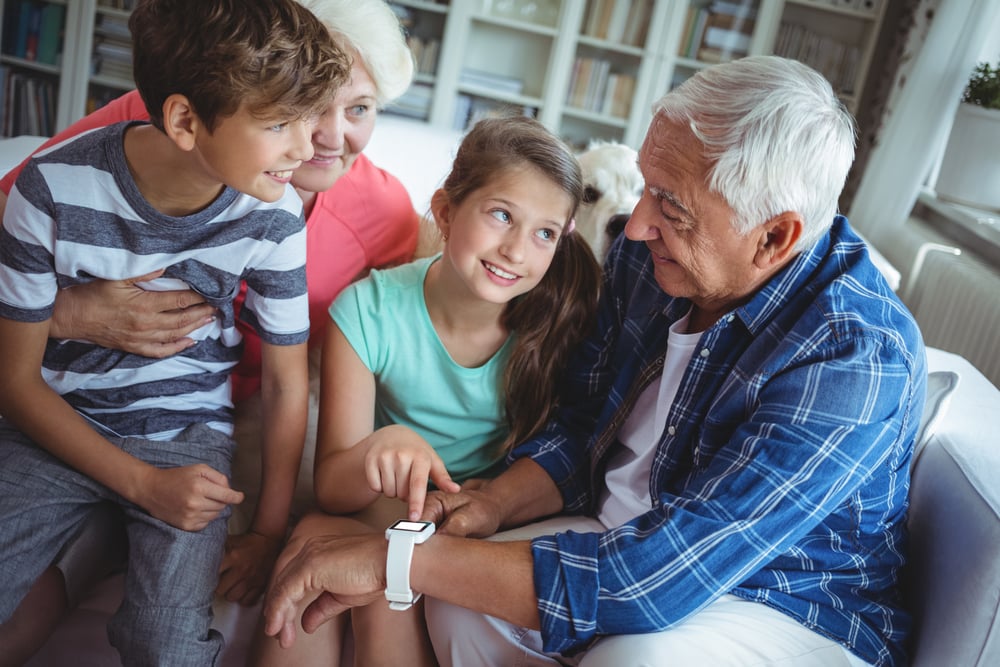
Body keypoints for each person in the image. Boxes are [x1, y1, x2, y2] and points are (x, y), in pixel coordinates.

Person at [262, 55, 928, 667]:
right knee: (458, 601)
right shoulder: (654, 260)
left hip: (776, 602)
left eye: (670, 205)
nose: (634, 225)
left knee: (631, 662)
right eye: (646, 189)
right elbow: (582, 426)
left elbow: (659, 577)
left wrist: (393, 558)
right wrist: (491, 502)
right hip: (623, 531)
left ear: (774, 235)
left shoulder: (854, 356)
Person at [0, 0, 419, 662]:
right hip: (61, 413)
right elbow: (16, 374)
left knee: (165, 633)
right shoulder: (70, 176)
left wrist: (267, 530)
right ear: (184, 121)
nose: (317, 142)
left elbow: (294, 382)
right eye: (293, 116)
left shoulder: (293, 210)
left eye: (358, 108)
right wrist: (73, 313)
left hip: (190, 426)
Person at [253, 115, 601, 666]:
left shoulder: (559, 328)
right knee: (313, 544)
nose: (516, 250)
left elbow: (558, 464)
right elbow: (333, 491)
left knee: (382, 592)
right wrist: (379, 446)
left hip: (475, 524)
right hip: (382, 511)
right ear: (444, 211)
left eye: (544, 233)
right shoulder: (367, 311)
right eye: (501, 215)